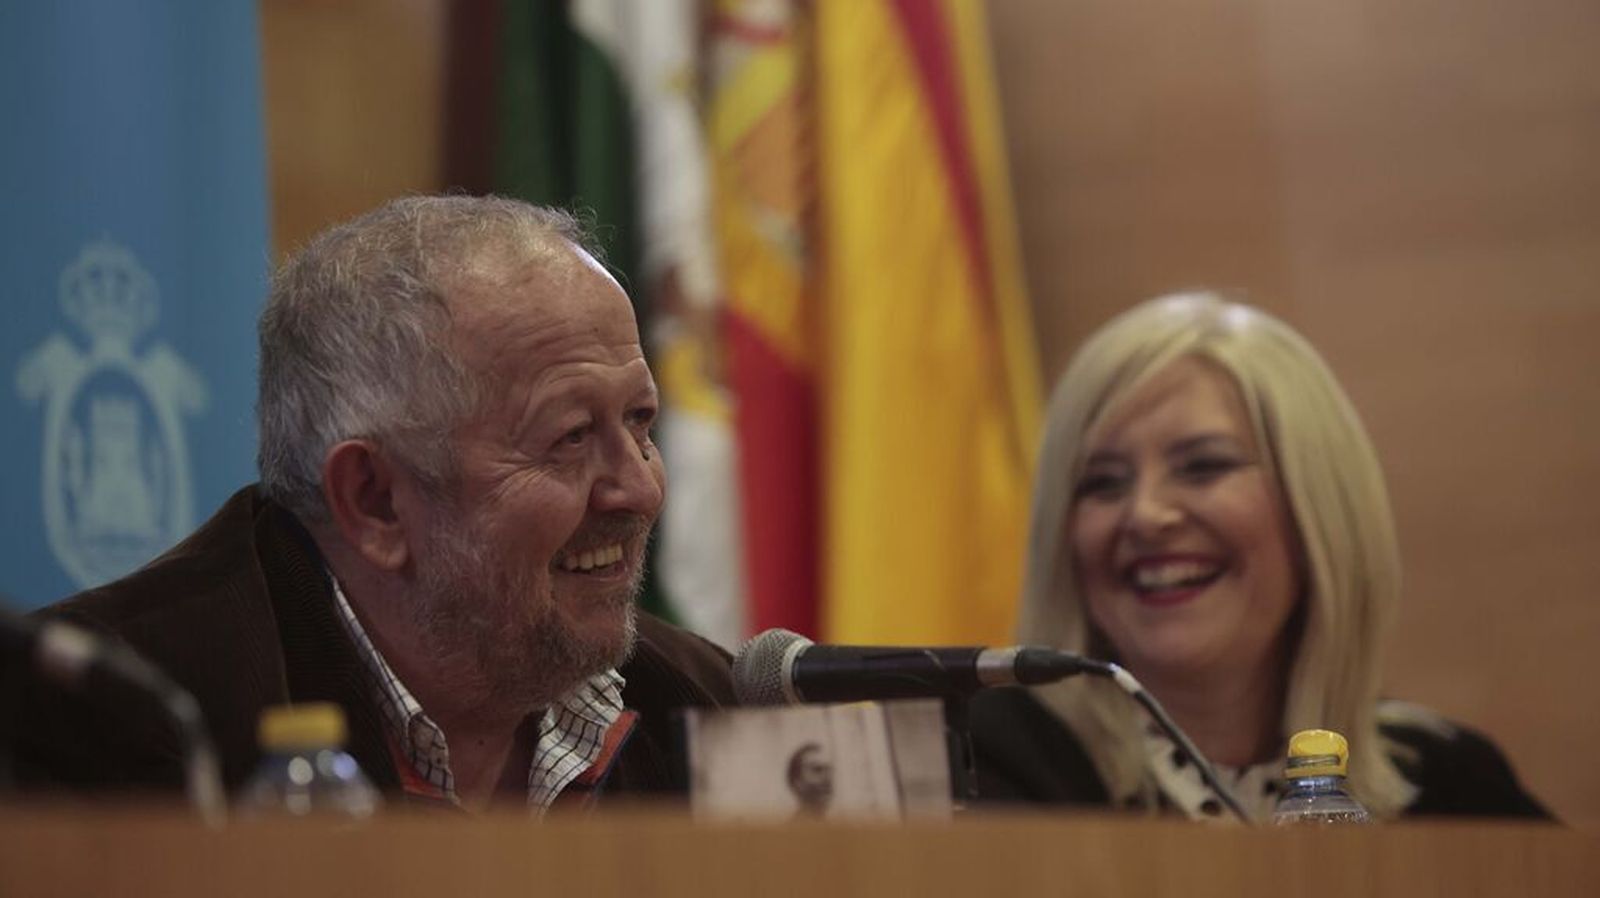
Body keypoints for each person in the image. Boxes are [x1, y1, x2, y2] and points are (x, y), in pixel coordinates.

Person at [12, 196, 735, 810]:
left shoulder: (706, 707)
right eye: (571, 437)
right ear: (375, 500)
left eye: (640, 423)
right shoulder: (99, 729)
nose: (640, 488)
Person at [970, 292, 1549, 821]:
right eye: (1102, 482)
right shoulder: (974, 770)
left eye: (1204, 467)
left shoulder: (1448, 783)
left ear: (1317, 507)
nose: (1145, 515)